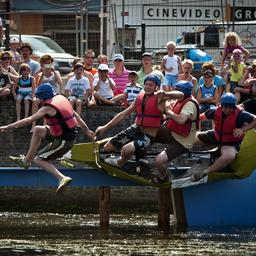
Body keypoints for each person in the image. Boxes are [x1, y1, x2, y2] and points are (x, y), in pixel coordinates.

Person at [0, 83, 95, 192]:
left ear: (44, 96)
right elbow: (77, 117)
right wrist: (87, 131)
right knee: (38, 130)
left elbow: (29, 120)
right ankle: (27, 161)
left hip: (65, 141)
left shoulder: (47, 108)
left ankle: (62, 178)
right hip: (62, 134)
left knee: (39, 159)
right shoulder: (62, 98)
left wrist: (8, 126)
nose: (38, 99)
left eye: (39, 97)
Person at [95, 75, 184, 169]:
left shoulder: (160, 98)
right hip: (136, 128)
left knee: (126, 149)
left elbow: (181, 95)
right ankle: (130, 158)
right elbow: (123, 114)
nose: (148, 87)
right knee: (107, 148)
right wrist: (105, 127)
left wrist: (166, 93)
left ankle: (120, 163)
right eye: (146, 84)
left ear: (156, 87)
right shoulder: (140, 97)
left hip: (147, 136)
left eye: (151, 85)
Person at [191, 93, 256, 182]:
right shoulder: (214, 111)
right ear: (221, 105)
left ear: (234, 106)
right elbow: (200, 117)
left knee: (229, 156)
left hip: (230, 143)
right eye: (225, 107)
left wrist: (243, 129)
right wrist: (191, 122)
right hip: (215, 135)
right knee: (189, 138)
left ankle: (204, 172)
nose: (227, 110)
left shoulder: (241, 114)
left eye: (230, 107)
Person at [153, 81, 199, 183]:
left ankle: (164, 176)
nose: (175, 91)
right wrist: (162, 99)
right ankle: (138, 153)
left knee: (158, 161)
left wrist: (168, 111)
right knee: (149, 130)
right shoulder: (179, 100)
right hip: (173, 133)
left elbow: (181, 120)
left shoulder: (190, 104)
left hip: (183, 141)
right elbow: (164, 109)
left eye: (178, 90)